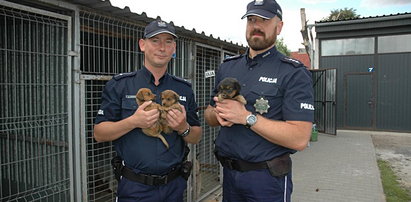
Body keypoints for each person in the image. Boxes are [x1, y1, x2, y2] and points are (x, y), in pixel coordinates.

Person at [204, 0, 314, 201]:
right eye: (252, 20)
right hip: (228, 177)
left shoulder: (293, 72)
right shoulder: (228, 67)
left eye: (264, 21)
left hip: (266, 181)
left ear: (278, 27)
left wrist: (246, 117)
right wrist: (218, 114)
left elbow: (300, 138)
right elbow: (209, 114)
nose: (256, 26)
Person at [94, 20, 202, 202]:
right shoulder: (120, 85)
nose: (162, 47)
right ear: (142, 45)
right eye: (155, 40)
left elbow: (196, 136)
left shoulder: (184, 89)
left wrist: (183, 127)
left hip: (174, 187)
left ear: (174, 48)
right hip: (134, 187)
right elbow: (99, 133)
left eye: (168, 42)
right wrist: (133, 122)